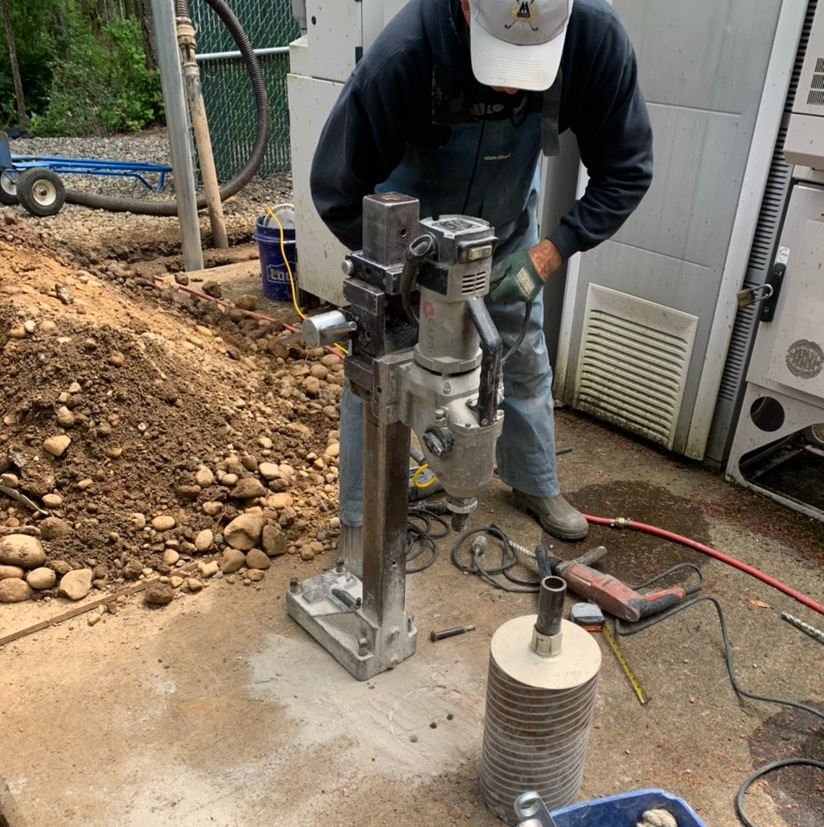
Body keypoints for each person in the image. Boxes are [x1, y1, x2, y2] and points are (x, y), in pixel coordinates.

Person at [310, 0, 653, 554]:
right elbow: (336, 189)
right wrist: (403, 277)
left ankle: (533, 479)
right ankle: (363, 520)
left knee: (520, 349)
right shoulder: (405, 54)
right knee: (377, 368)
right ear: (467, 6)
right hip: (410, 241)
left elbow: (626, 169)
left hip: (507, 228)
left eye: (529, 66)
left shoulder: (595, 39)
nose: (512, 88)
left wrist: (547, 255)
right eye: (501, 63)